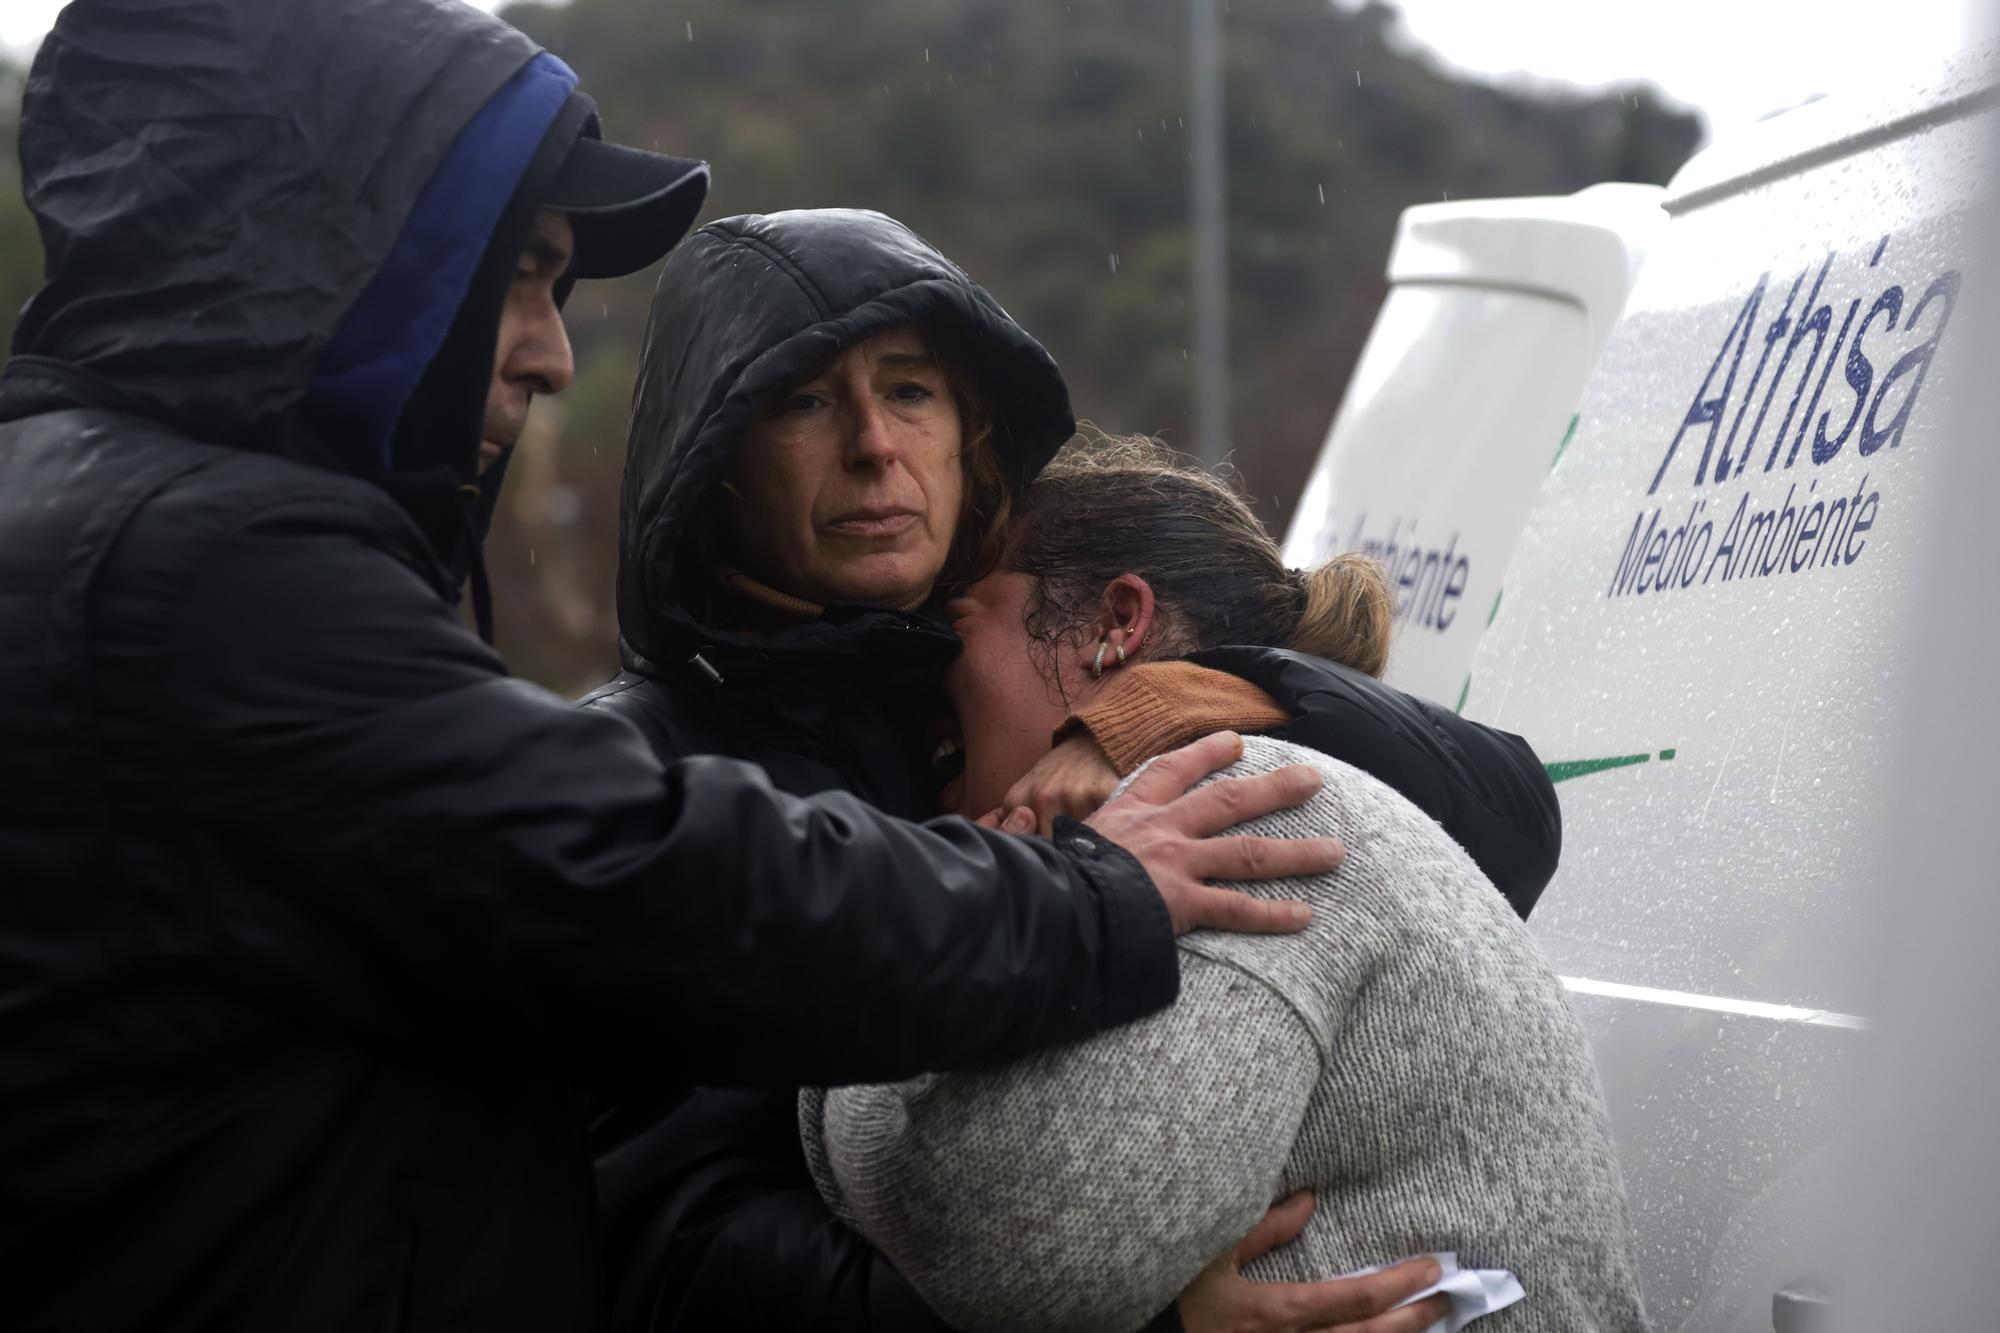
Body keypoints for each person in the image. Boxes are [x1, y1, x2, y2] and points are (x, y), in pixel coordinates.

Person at [0, 5, 1347, 1330]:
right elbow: (657, 887)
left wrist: (1158, 706)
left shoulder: (119, 522)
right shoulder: (205, 567)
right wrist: (1091, 905)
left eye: (916, 392)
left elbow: (1486, 787)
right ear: (343, 252)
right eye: (521, 271)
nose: (551, 349)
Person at [584, 209, 1562, 1331]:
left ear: (964, 433)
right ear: (714, 463)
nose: (870, 444)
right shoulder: (634, 770)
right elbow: (670, 1253)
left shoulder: (1016, 700)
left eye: (909, 391)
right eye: (804, 399)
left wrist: (1171, 703)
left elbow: (1504, 816)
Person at [801, 437, 1648, 1333]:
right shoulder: (1230, 803)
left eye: (958, 622)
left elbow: (1012, 1254)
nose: (920, 684)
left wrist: (887, 956)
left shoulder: (1250, 809)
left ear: (1115, 624)